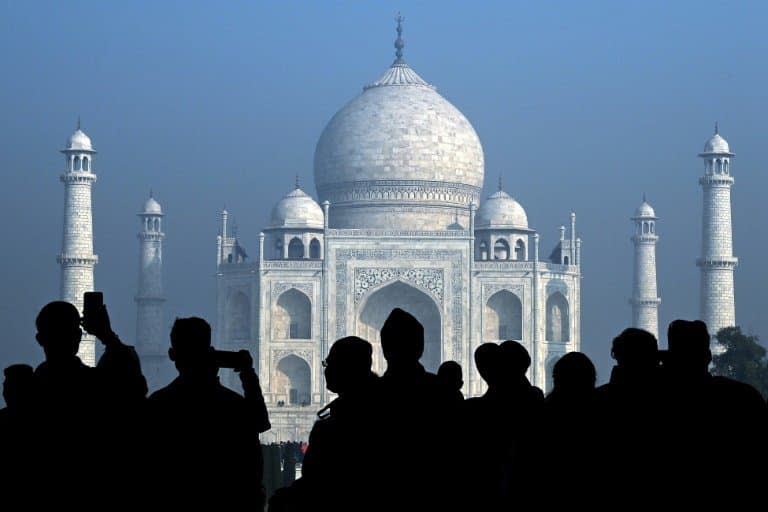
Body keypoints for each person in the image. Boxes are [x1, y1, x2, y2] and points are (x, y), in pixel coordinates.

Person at [149, 317, 270, 507]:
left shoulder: (158, 404)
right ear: (210, 352)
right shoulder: (233, 406)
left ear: (172, 354)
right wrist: (247, 374)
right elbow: (261, 423)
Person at [271, 336, 381, 512]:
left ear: (347, 368)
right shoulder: (385, 405)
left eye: (329, 364)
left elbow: (317, 481)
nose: (326, 371)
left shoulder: (337, 425)